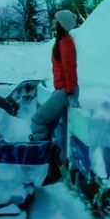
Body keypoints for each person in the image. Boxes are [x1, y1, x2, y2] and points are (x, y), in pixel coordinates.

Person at [30, 9, 79, 141]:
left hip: (65, 91)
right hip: (62, 90)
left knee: (37, 120)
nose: (53, 21)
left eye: (56, 19)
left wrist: (69, 93)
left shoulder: (66, 42)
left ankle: (40, 150)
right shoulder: (62, 40)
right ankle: (46, 147)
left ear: (62, 24)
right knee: (49, 123)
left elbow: (69, 69)